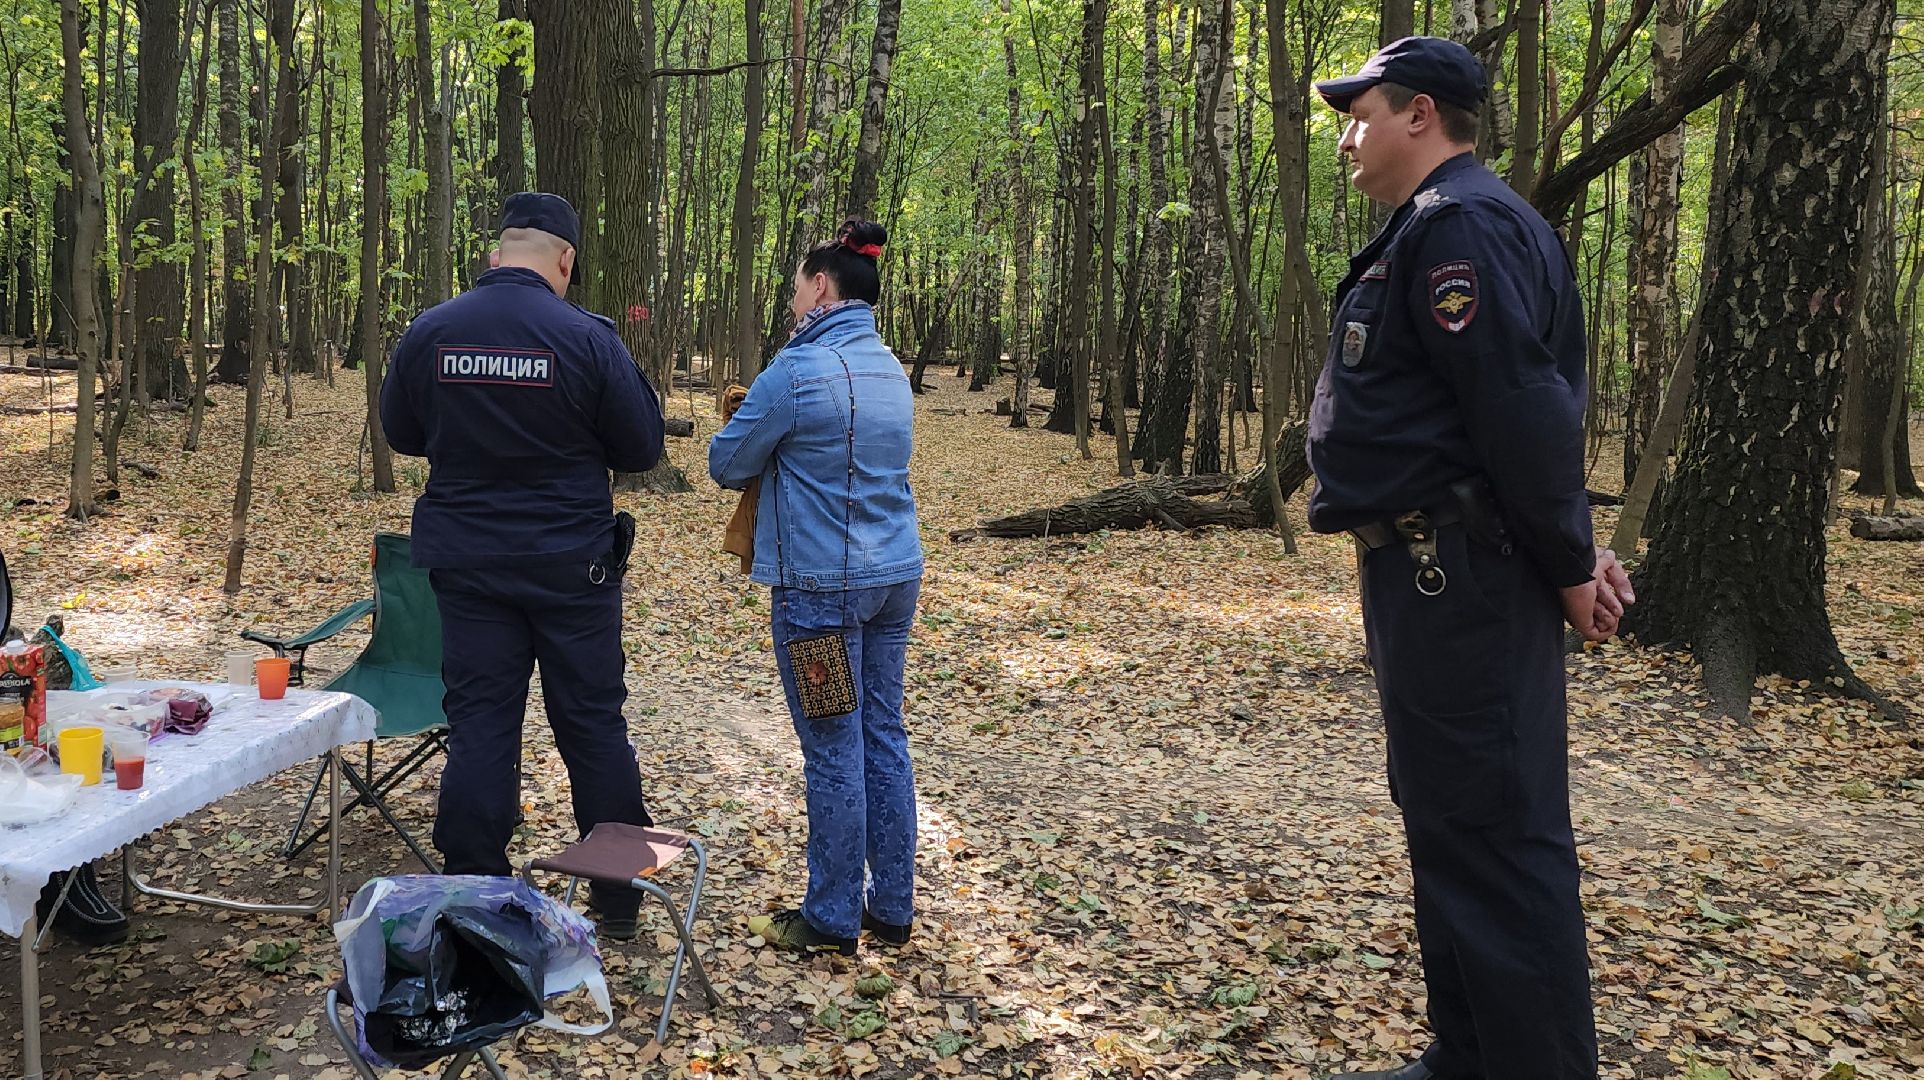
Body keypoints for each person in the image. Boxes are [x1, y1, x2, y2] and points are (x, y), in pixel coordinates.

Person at [1304, 38, 1633, 1080]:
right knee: (1450, 823)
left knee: (1495, 835)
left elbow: (1520, 407)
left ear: (1422, 116)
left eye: (1361, 114)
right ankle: (1470, 1052)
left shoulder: (1464, 229)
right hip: (1426, 574)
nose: (1347, 139)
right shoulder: (1433, 229)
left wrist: (1573, 563)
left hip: (1464, 577)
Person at [379, 192, 665, 939]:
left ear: (496, 252)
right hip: (573, 567)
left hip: (469, 567)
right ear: (564, 260)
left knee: (480, 723)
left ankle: (474, 888)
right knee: (595, 724)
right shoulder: (588, 339)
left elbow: (403, 434)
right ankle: (620, 894)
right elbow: (640, 449)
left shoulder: (432, 332)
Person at [709, 219, 923, 957]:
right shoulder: (892, 368)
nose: (793, 298)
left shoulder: (796, 372)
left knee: (833, 744)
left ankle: (832, 916)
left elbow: (726, 463)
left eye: (797, 286)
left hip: (821, 593)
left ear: (821, 287)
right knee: (882, 734)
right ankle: (892, 905)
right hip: (895, 578)